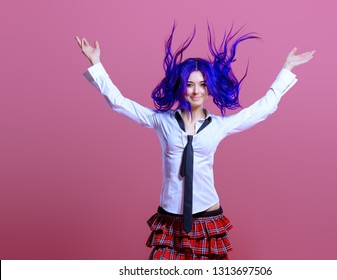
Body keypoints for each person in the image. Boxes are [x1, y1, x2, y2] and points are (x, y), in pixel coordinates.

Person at [75, 25, 315, 260]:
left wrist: (287, 69)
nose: (196, 91)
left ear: (209, 88)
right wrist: (96, 64)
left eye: (201, 84)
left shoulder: (220, 126)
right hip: (170, 217)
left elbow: (263, 109)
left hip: (207, 215)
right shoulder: (162, 121)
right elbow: (119, 103)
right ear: (181, 87)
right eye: (190, 84)